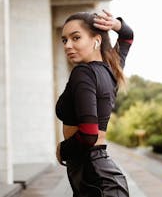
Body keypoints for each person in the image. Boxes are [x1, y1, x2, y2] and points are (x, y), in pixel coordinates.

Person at [55, 10, 133, 197]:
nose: (68, 45)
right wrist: (117, 26)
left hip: (94, 178)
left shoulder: (83, 73)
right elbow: (128, 37)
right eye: (65, 40)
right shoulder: (112, 68)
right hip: (100, 176)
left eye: (76, 38)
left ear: (96, 40)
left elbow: (89, 134)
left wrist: (62, 150)